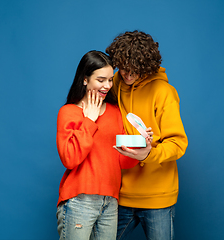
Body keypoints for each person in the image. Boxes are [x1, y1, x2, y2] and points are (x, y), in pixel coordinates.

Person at [56, 50, 152, 240]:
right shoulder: (68, 112)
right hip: (79, 200)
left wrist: (141, 147)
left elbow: (121, 160)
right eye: (101, 80)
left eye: (110, 79)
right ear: (85, 80)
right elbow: (70, 159)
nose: (107, 85)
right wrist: (90, 121)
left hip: (111, 201)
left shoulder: (115, 112)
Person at [106, 30, 188, 240]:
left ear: (146, 65)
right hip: (120, 194)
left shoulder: (164, 92)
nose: (127, 74)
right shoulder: (114, 84)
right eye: (123, 68)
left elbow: (178, 144)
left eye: (134, 70)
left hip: (157, 197)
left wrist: (148, 154)